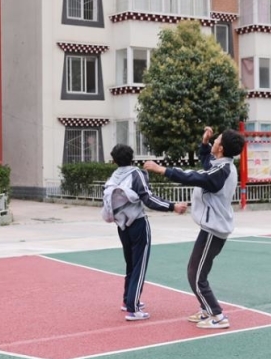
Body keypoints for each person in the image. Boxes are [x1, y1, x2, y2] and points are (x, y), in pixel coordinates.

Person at [144, 127, 245, 329]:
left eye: (217, 139)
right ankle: (207, 309)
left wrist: (162, 169)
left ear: (221, 148)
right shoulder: (221, 166)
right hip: (212, 227)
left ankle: (218, 316)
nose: (214, 140)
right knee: (197, 271)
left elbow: (193, 176)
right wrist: (205, 143)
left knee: (195, 275)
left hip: (214, 229)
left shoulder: (221, 171)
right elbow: (207, 163)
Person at [104, 144, 187, 321]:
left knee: (130, 264)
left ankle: (127, 300)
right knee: (139, 265)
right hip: (138, 223)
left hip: (122, 225)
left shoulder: (114, 177)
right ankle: (133, 308)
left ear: (114, 160)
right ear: (132, 157)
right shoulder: (136, 174)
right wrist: (172, 206)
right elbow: (148, 198)